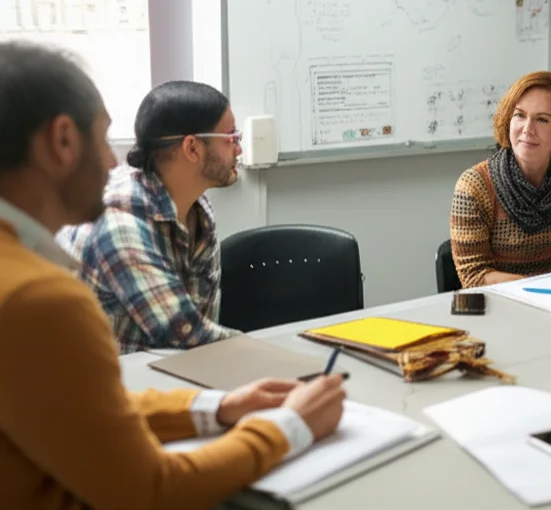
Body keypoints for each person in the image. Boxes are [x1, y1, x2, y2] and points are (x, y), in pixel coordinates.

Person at [0, 41, 346, 510]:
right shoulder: (38, 298)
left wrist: (214, 408)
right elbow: (148, 491)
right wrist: (290, 426)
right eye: (103, 138)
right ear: (62, 140)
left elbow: (76, 409)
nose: (110, 161)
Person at [57, 80, 243, 353]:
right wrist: (282, 361)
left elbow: (201, 335)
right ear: (192, 149)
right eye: (231, 137)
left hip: (163, 374)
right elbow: (187, 332)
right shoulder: (119, 222)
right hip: (95, 386)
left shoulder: (198, 208)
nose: (239, 148)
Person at [449, 71, 551, 286]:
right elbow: (474, 275)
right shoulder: (474, 185)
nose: (528, 129)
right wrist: (541, 290)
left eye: (542, 119)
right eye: (519, 115)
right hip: (506, 311)